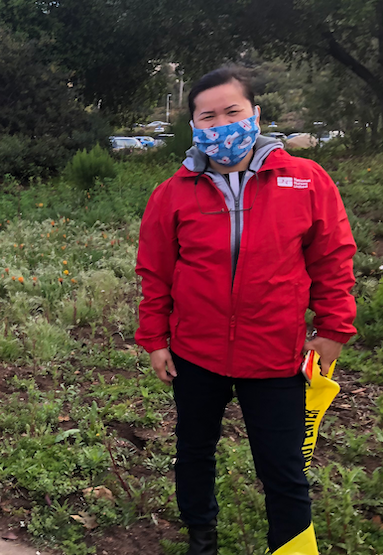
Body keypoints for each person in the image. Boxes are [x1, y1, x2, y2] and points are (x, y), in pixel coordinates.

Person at [135, 67, 357, 555]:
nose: (221, 125)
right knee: (194, 452)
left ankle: (292, 548)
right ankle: (201, 536)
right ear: (194, 126)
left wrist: (334, 327)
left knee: (283, 467)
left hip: (275, 355)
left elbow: (333, 258)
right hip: (196, 353)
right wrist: (154, 340)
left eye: (231, 112)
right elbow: (155, 274)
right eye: (207, 117)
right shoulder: (173, 193)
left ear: (255, 114)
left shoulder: (305, 180)